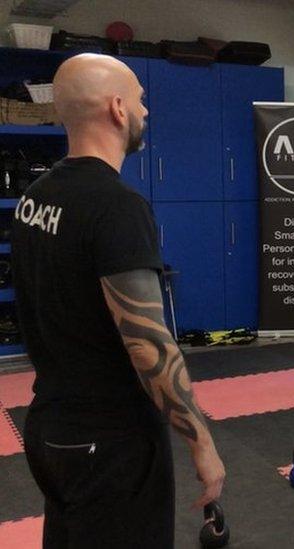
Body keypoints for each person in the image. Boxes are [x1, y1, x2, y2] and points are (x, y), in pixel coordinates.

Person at [11, 53, 225, 547]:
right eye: (141, 99)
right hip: (111, 445)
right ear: (117, 108)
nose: (146, 111)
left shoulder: (35, 198)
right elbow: (149, 345)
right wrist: (203, 444)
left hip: (50, 431)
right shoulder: (117, 207)